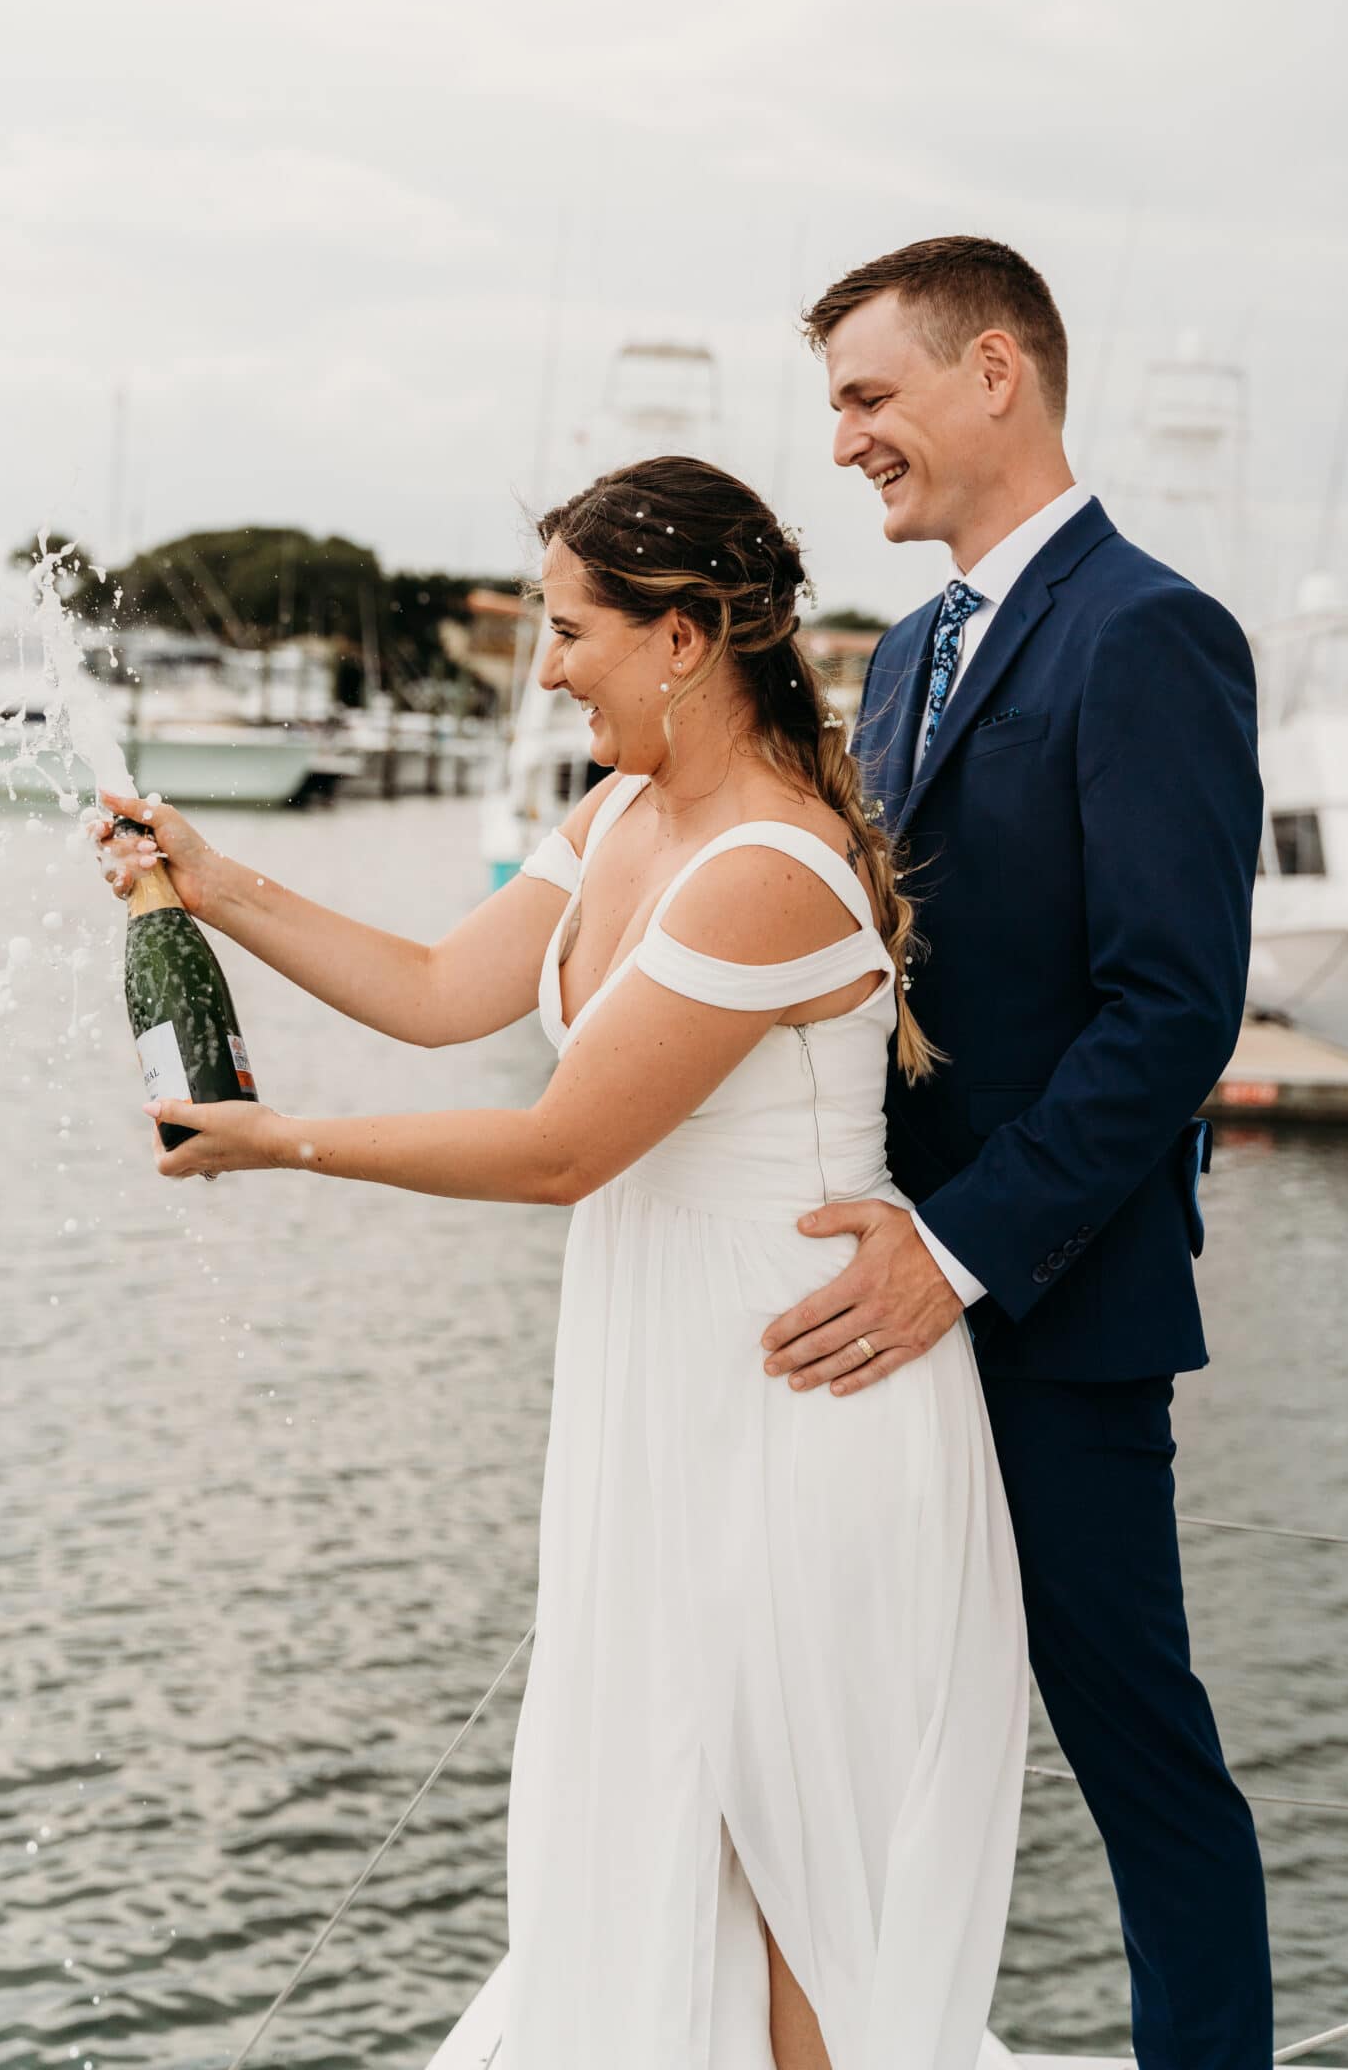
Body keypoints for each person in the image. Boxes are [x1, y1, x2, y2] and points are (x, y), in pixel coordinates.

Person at [92, 455, 1027, 2070]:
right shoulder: (616, 816)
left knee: (795, 1880)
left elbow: (562, 1151)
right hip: (668, 1414)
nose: (545, 665)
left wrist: (279, 1140)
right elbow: (449, 986)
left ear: (683, 641)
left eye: (569, 627)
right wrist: (214, 878)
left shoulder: (763, 871)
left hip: (801, 1410)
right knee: (670, 1840)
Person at [761, 236, 1273, 2068]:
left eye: (869, 398)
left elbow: (1169, 1011)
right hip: (873, 1300)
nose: (845, 444)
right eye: (836, 407)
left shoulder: (1151, 633)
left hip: (1047, 1311)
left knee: (1133, 1737)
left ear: (997, 374)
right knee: (855, 1720)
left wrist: (955, 1253)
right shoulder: (905, 656)